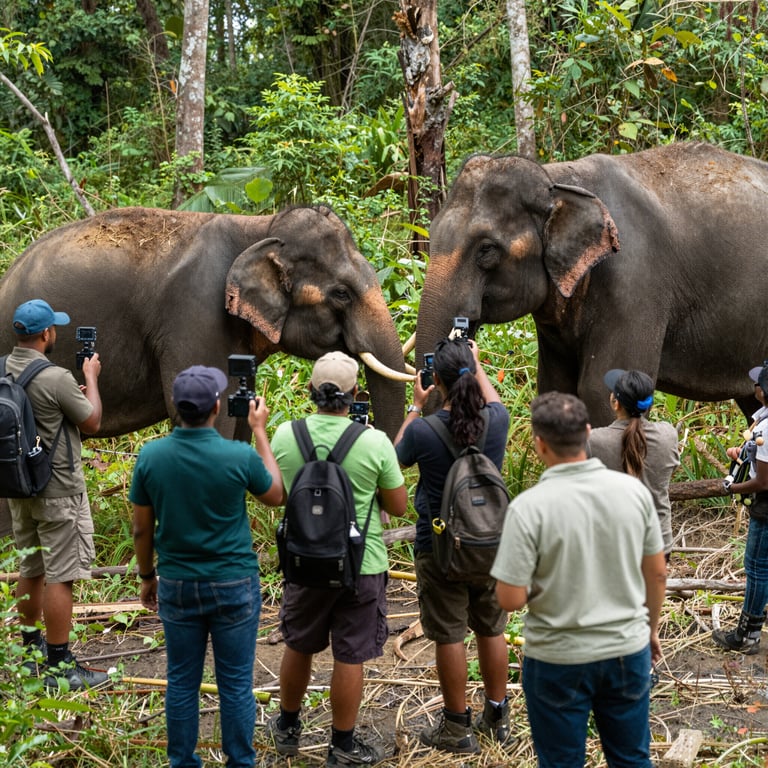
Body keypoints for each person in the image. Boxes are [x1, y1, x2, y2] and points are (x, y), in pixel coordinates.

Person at [492, 392, 667, 768]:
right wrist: (650, 629)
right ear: (588, 432)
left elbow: (509, 599)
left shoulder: (528, 508)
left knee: (560, 761)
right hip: (626, 648)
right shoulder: (633, 493)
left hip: (557, 657)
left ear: (539, 444)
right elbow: (657, 572)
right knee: (632, 758)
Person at [130, 365, 284, 768]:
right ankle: (240, 762)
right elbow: (275, 494)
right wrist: (261, 431)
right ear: (217, 407)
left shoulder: (151, 456)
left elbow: (140, 529)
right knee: (235, 683)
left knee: (181, 680)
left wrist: (148, 576)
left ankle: (182, 762)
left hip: (177, 583)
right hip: (234, 582)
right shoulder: (238, 454)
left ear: (178, 409)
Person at [268, 351, 407, 767]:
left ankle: (288, 728)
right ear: (355, 395)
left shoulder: (283, 435)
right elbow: (398, 507)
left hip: (304, 562)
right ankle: (341, 745)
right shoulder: (374, 442)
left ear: (309, 391)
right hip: (360, 564)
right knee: (351, 654)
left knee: (299, 643)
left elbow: (275, 493)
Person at [393, 337, 511, 754]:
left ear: (436, 381)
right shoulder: (496, 421)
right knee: (492, 628)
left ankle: (455, 727)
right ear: (472, 376)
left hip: (440, 547)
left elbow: (394, 458)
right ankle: (497, 715)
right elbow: (494, 403)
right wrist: (474, 365)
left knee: (450, 635)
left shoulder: (424, 430)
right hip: (491, 544)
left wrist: (414, 405)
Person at [7, 299, 108, 689]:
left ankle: (29, 653)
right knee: (61, 576)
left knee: (31, 568)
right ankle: (60, 664)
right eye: (55, 329)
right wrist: (92, 378)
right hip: (58, 489)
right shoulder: (57, 377)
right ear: (47, 334)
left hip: (19, 487)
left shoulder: (3, 369)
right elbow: (93, 421)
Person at [588, 369, 680, 561]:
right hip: (658, 544)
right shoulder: (668, 435)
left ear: (616, 403)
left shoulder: (593, 441)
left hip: (612, 546)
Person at [713, 362, 768, 654]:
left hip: (765, 509)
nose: (754, 386)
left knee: (757, 568)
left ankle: (747, 635)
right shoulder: (762, 419)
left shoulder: (767, 426)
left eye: (758, 383)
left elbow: (763, 482)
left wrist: (731, 488)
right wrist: (744, 455)